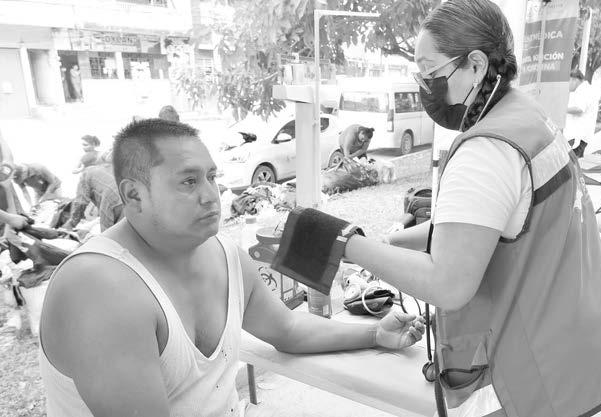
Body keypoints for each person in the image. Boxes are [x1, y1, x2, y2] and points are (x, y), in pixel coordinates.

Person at [340, 1, 601, 416]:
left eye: (429, 71)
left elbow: (448, 283)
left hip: (539, 370)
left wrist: (345, 244)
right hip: (581, 342)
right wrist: (390, 243)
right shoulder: (526, 116)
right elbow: (482, 227)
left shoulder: (487, 149)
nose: (423, 84)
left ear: (475, 65)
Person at [38, 119, 425, 416]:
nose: (211, 196)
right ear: (134, 195)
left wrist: (375, 334)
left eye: (212, 177)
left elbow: (287, 329)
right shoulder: (99, 288)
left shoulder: (223, 254)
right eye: (188, 182)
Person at [62, 163, 123, 232]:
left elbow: (80, 204)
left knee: (107, 235)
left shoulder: (86, 173)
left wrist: (71, 224)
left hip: (111, 200)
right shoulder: (107, 168)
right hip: (127, 199)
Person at [565, 69, 598, 158]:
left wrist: (561, 110)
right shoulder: (583, 90)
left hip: (578, 136)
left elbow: (579, 109)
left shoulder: (584, 90)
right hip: (579, 135)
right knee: (576, 161)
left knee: (572, 161)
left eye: (568, 82)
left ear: (575, 79)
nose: (567, 85)